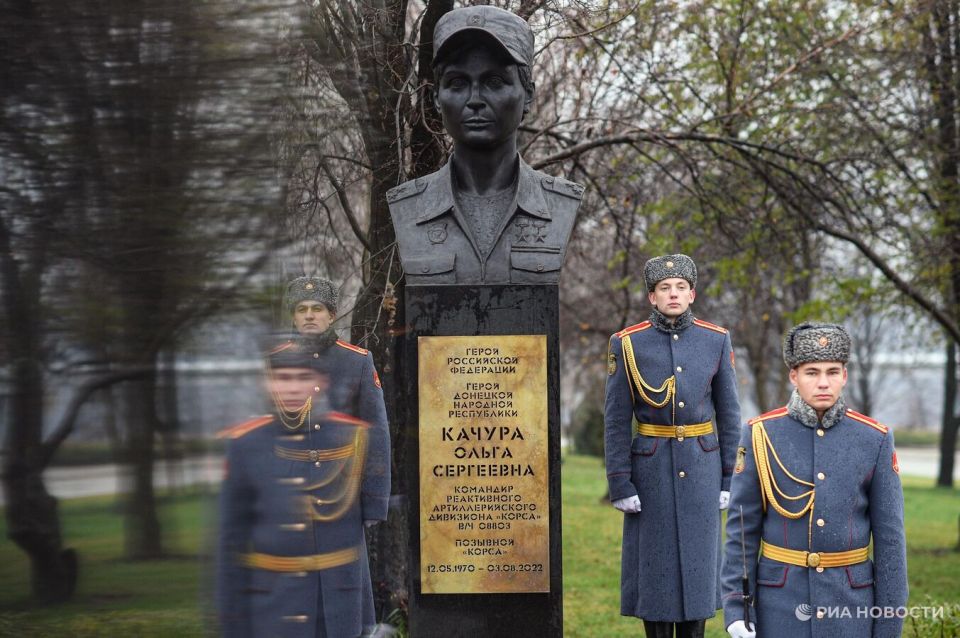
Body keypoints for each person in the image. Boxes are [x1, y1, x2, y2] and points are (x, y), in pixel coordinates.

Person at [216, 276, 391, 638]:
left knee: (343, 600)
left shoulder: (356, 361)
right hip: (282, 497)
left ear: (331, 315)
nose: (309, 316)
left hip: (337, 499)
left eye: (317, 310)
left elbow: (376, 433)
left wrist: (373, 504)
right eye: (301, 310)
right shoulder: (273, 362)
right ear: (294, 317)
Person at [721, 322, 908, 638]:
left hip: (850, 607)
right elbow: (742, 530)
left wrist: (889, 623)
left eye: (833, 372)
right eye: (812, 372)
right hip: (779, 606)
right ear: (794, 376)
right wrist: (737, 608)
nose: (824, 382)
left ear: (845, 376)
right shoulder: (760, 434)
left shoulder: (873, 438)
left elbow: (890, 541)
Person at [387, 5, 583, 285]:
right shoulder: (407, 206)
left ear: (527, 95)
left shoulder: (561, 203)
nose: (475, 99)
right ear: (435, 99)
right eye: (457, 83)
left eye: (494, 81)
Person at [604, 253, 742, 638]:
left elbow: (729, 415)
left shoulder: (716, 340)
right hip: (650, 472)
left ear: (692, 293)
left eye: (680, 287)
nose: (673, 294)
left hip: (702, 469)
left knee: (699, 572)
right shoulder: (627, 344)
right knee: (655, 574)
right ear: (652, 297)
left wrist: (730, 478)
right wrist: (620, 482)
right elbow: (616, 420)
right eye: (664, 288)